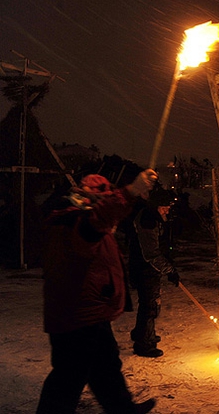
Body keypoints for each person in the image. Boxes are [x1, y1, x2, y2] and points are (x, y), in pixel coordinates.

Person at [37, 171, 157, 414]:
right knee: (68, 376)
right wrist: (131, 190)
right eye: (105, 196)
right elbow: (102, 216)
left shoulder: (82, 218)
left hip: (90, 310)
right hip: (75, 313)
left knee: (106, 365)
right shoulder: (74, 220)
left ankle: (122, 408)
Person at [123, 185, 180, 358]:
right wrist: (169, 270)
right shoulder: (148, 220)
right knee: (149, 305)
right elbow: (151, 253)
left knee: (152, 302)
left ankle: (143, 333)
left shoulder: (156, 217)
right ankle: (143, 344)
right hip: (144, 268)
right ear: (156, 206)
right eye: (164, 207)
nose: (167, 210)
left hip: (150, 269)